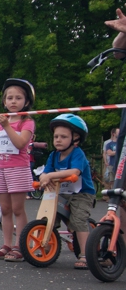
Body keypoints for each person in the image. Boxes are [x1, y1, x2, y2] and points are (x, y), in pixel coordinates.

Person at [0, 79, 36, 262]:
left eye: (18, 98)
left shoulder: (26, 122)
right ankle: (7, 244)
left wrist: (6, 126)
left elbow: (20, 143)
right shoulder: (0, 122)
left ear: (26, 102)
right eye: (9, 98)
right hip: (1, 168)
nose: (13, 101)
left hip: (18, 169)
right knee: (5, 209)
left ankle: (21, 246)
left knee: (18, 209)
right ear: (4, 102)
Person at [39, 114, 95, 270]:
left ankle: (85, 254)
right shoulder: (53, 155)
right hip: (62, 193)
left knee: (78, 220)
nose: (58, 139)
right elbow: (46, 172)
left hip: (82, 193)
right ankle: (47, 247)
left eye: (63, 136)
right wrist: (44, 177)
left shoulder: (78, 154)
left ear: (75, 138)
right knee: (49, 215)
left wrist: (50, 175)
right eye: (56, 136)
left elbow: (75, 172)